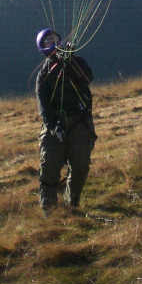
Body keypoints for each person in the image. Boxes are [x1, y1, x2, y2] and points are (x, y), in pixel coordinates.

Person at [35, 28, 96, 215]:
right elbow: (43, 107)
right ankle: (49, 213)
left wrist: (71, 62)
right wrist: (54, 127)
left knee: (80, 165)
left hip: (79, 120)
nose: (53, 43)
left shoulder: (76, 62)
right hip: (56, 125)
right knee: (50, 167)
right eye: (48, 41)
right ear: (42, 48)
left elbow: (88, 79)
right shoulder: (43, 74)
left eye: (55, 39)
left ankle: (72, 204)